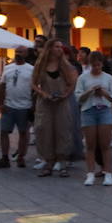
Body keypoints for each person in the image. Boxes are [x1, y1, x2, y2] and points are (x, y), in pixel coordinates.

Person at [32, 38, 77, 177]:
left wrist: (65, 95)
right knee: (44, 130)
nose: (59, 49)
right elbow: (33, 83)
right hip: (45, 103)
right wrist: (44, 94)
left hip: (61, 103)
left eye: (60, 47)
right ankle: (48, 162)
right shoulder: (40, 65)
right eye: (56, 46)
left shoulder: (65, 65)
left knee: (62, 130)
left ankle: (62, 163)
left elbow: (71, 84)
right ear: (50, 48)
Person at [75, 51, 112, 187]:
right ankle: (90, 173)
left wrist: (103, 93)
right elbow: (78, 98)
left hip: (104, 110)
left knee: (105, 144)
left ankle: (108, 173)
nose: (97, 68)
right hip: (88, 111)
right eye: (94, 65)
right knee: (90, 144)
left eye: (99, 65)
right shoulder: (83, 78)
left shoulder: (108, 78)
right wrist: (90, 91)